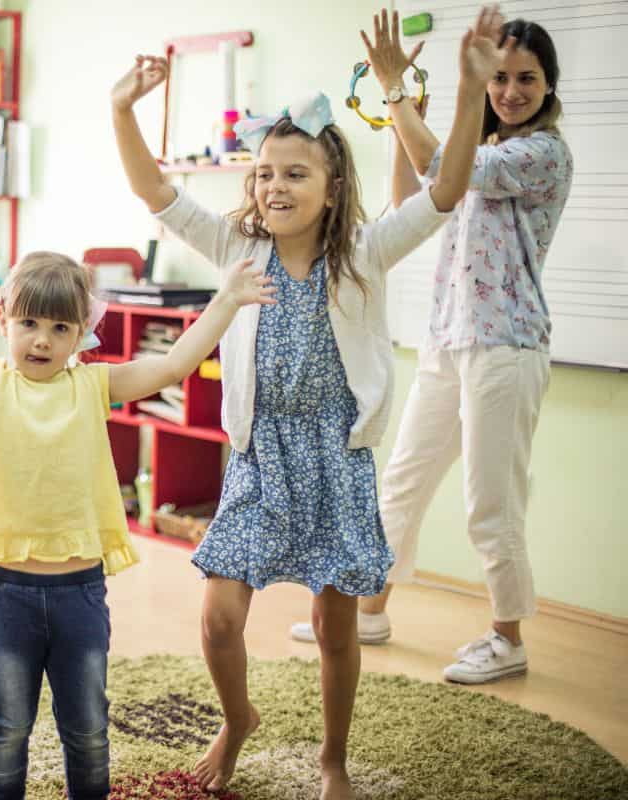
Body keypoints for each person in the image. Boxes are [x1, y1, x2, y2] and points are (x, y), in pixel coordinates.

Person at [111, 7, 507, 797]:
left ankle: (333, 757)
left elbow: (450, 187)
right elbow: (156, 189)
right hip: (261, 456)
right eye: (264, 172)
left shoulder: (363, 254)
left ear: (331, 189)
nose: (275, 185)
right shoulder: (235, 248)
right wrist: (122, 109)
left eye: (295, 173)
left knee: (335, 628)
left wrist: (467, 92)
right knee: (220, 618)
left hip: (336, 458)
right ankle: (238, 717)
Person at [0, 235, 275, 800]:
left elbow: (175, 365)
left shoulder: (94, 385)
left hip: (79, 594)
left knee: (86, 731)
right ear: (4, 318)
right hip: (8, 591)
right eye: (30, 323)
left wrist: (227, 300)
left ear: (82, 332)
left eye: (61, 328)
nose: (42, 340)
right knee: (7, 727)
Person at [291, 10, 573, 687]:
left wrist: (403, 96)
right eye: (499, 77)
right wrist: (405, 111)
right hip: (449, 339)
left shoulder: (542, 153)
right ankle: (370, 610)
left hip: (506, 345)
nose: (510, 90)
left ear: (548, 86)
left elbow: (447, 166)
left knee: (491, 500)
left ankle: (507, 638)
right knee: (402, 482)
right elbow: (410, 197)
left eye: (525, 79)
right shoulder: (480, 149)